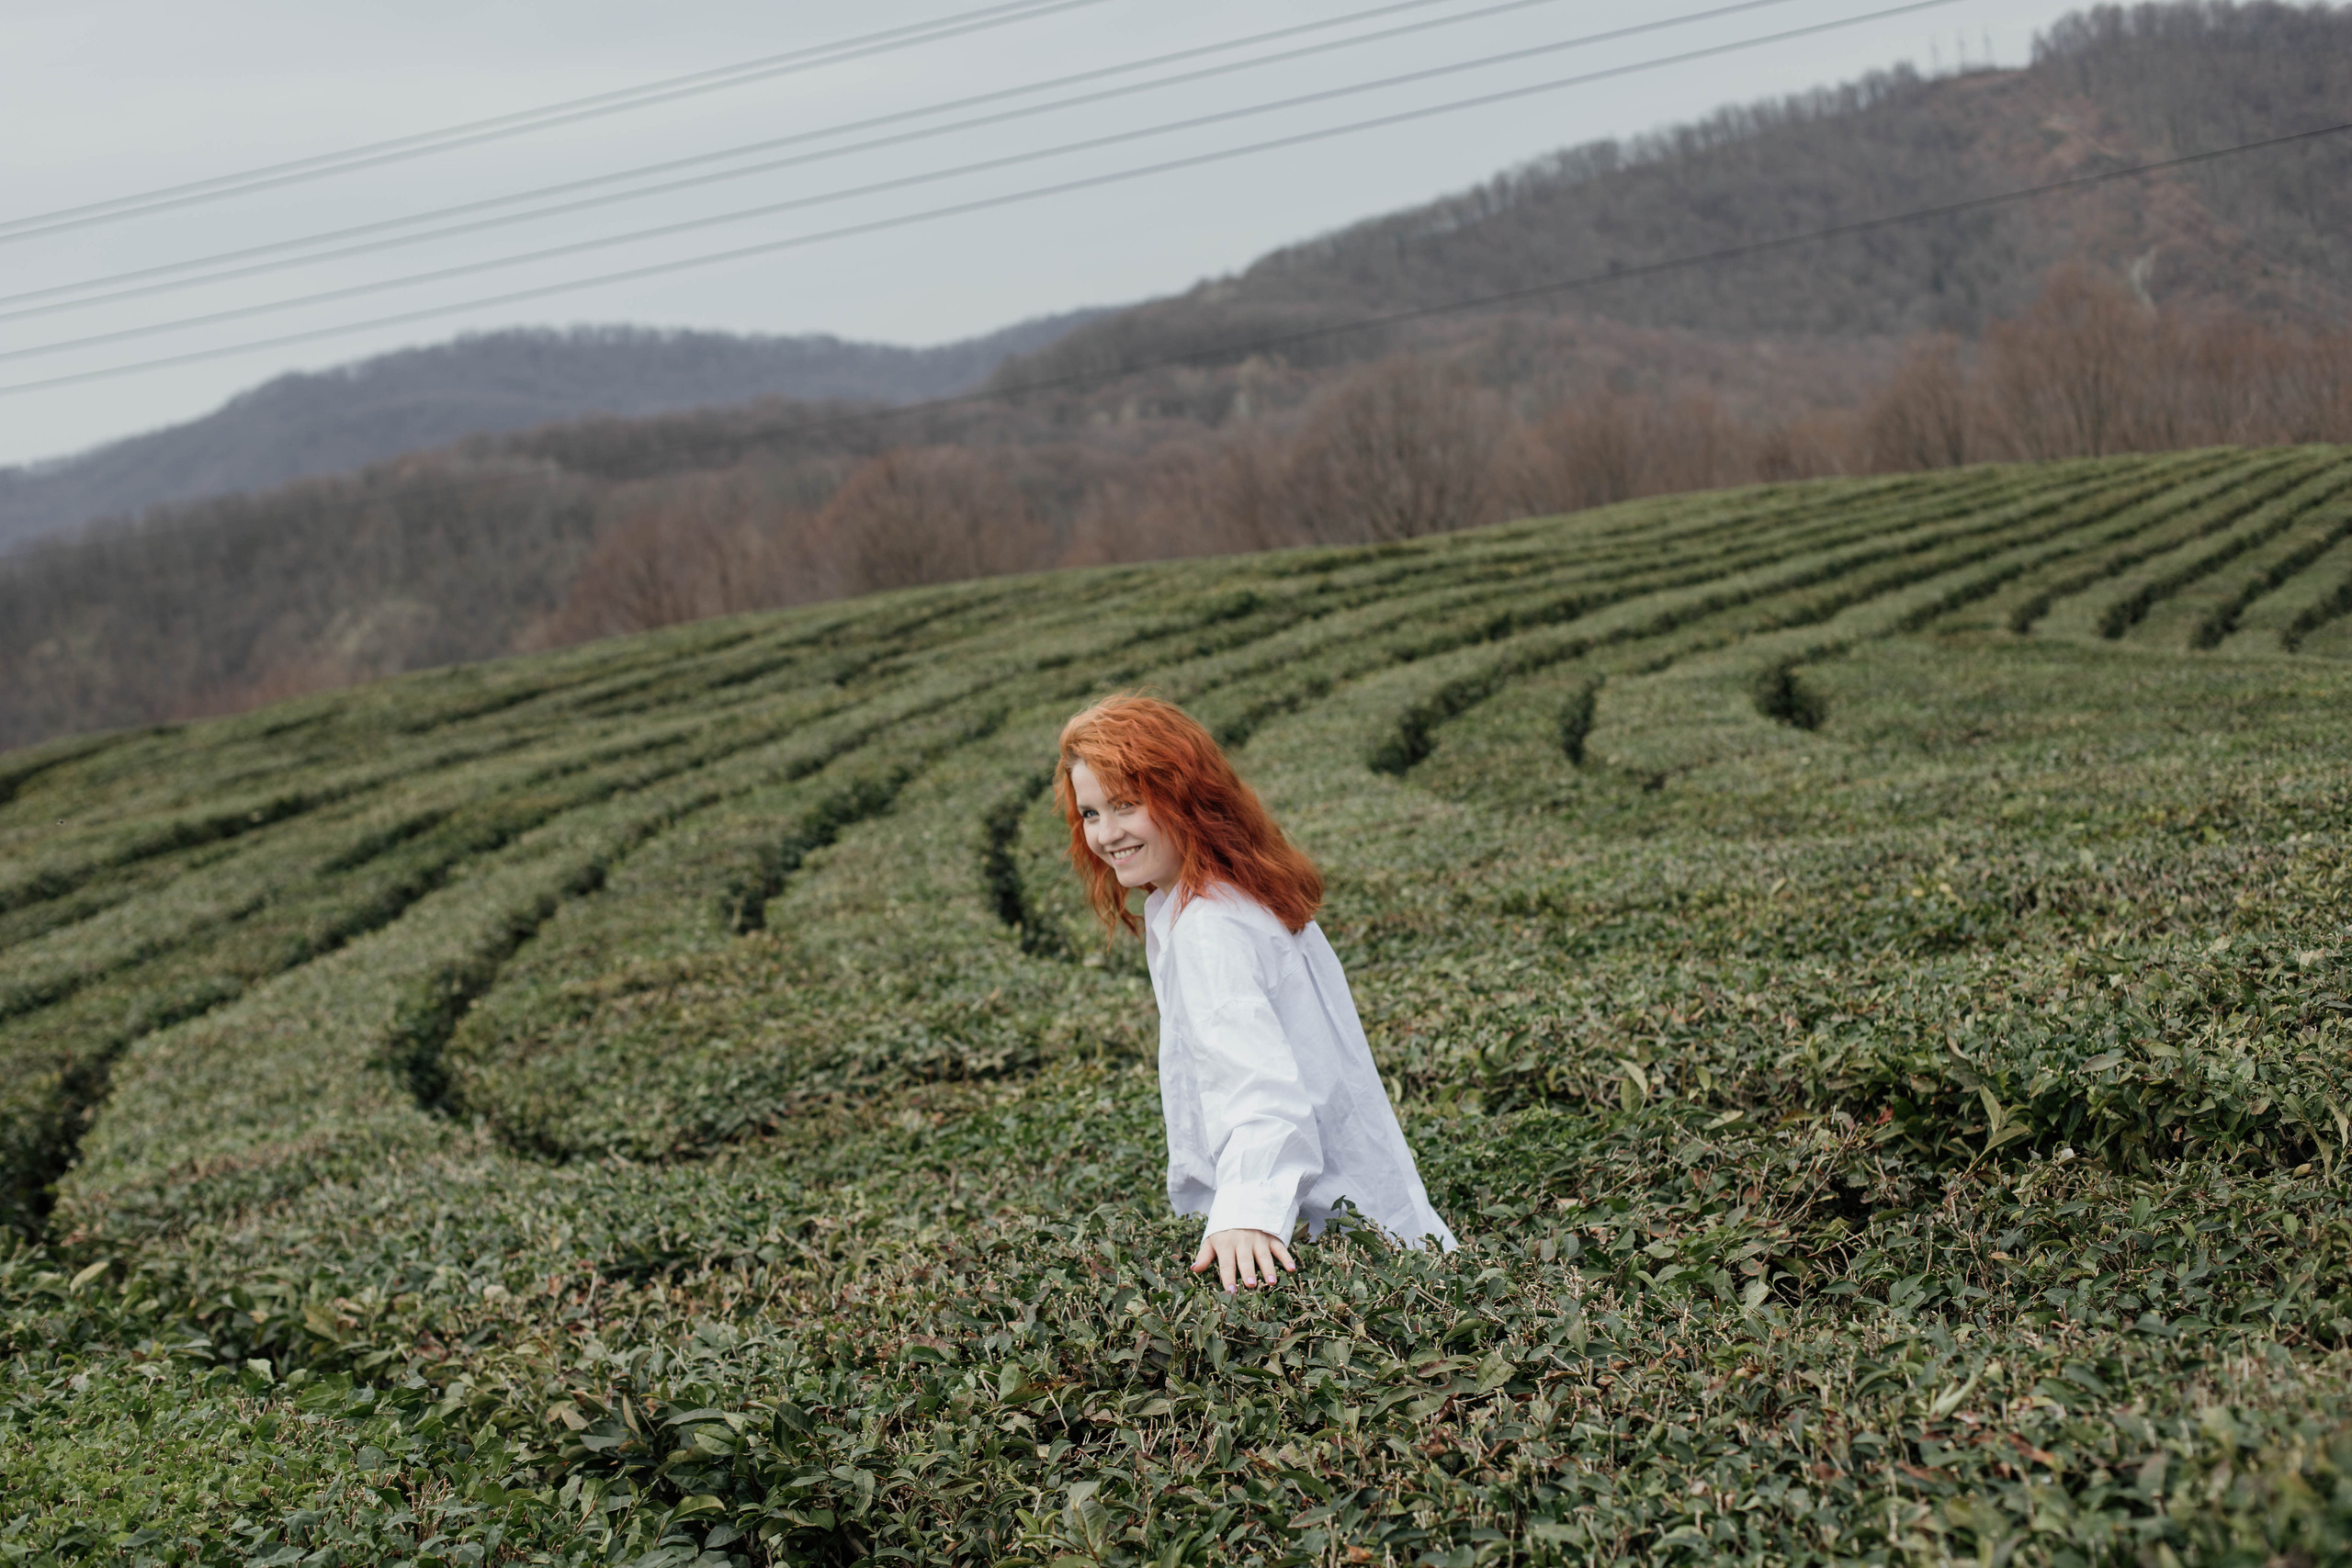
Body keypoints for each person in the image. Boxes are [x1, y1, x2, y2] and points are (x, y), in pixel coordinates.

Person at [1054, 693, 1458, 1292]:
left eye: (1126, 805)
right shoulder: (1223, 895)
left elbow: (1262, 1091)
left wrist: (1245, 1212)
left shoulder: (1208, 926)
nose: (1107, 834)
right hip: (1374, 1231)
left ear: (1180, 796)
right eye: (1090, 813)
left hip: (1328, 1256)